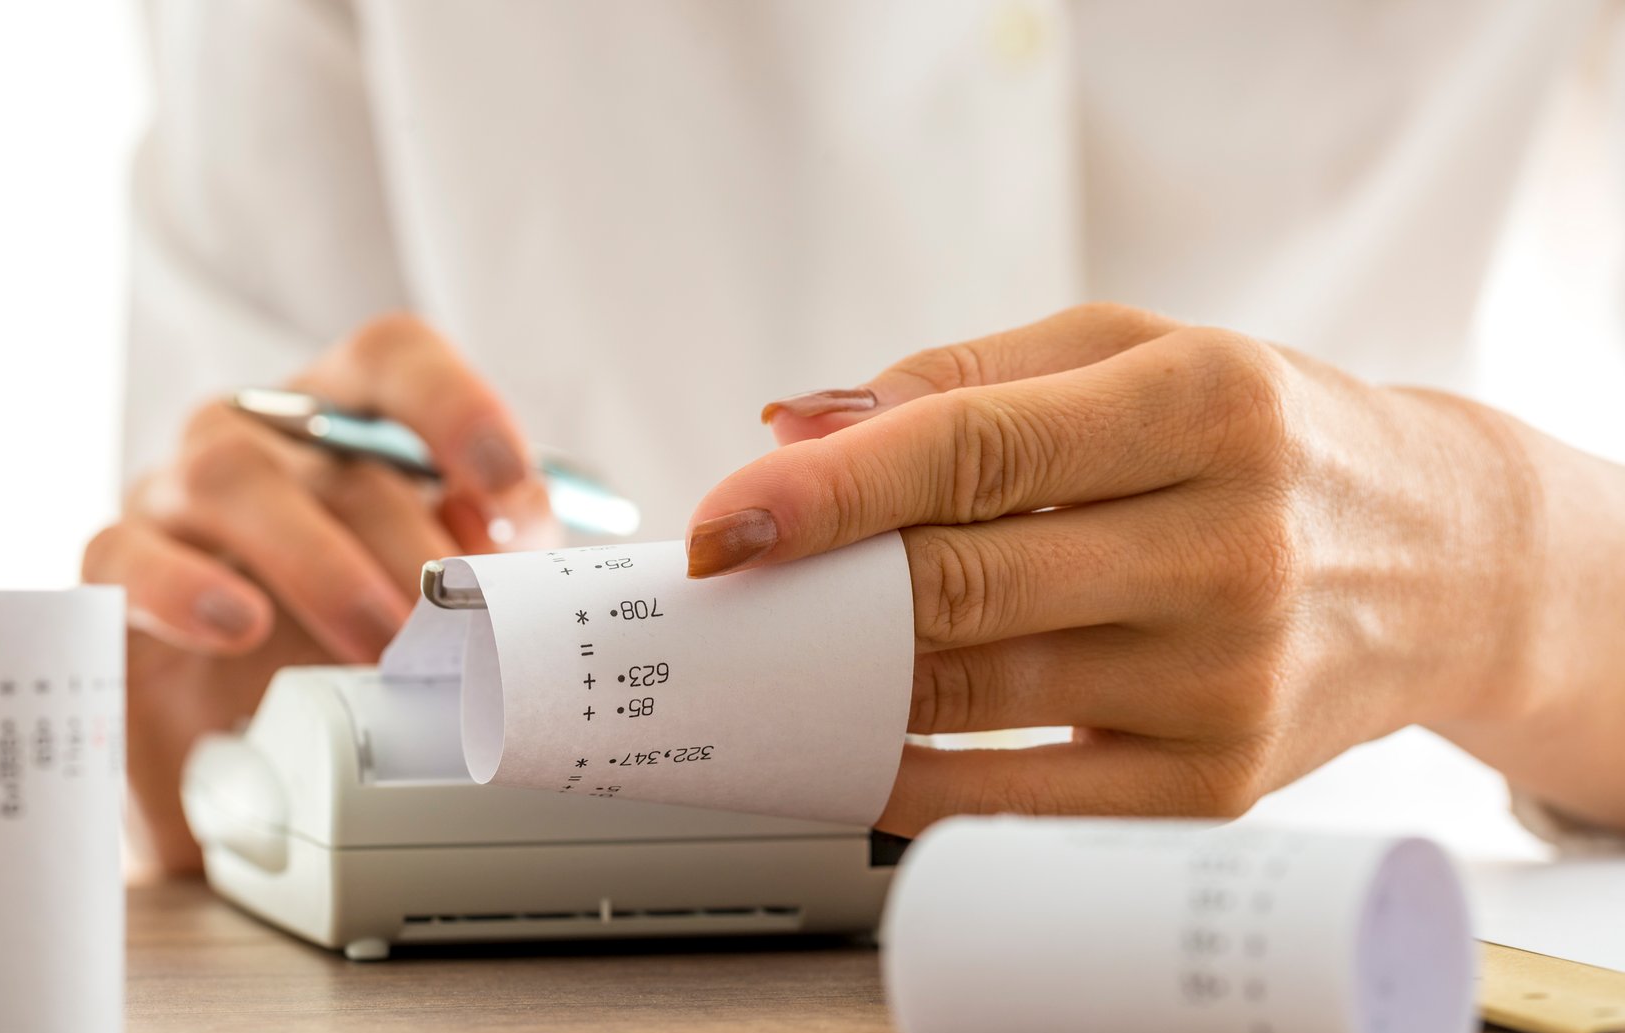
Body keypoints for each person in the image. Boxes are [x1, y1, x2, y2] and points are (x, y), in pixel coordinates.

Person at [88, 0, 1625, 872]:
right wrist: (234, 699)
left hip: (1356, 946)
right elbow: (197, 730)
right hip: (563, 1021)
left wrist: (1505, 563)